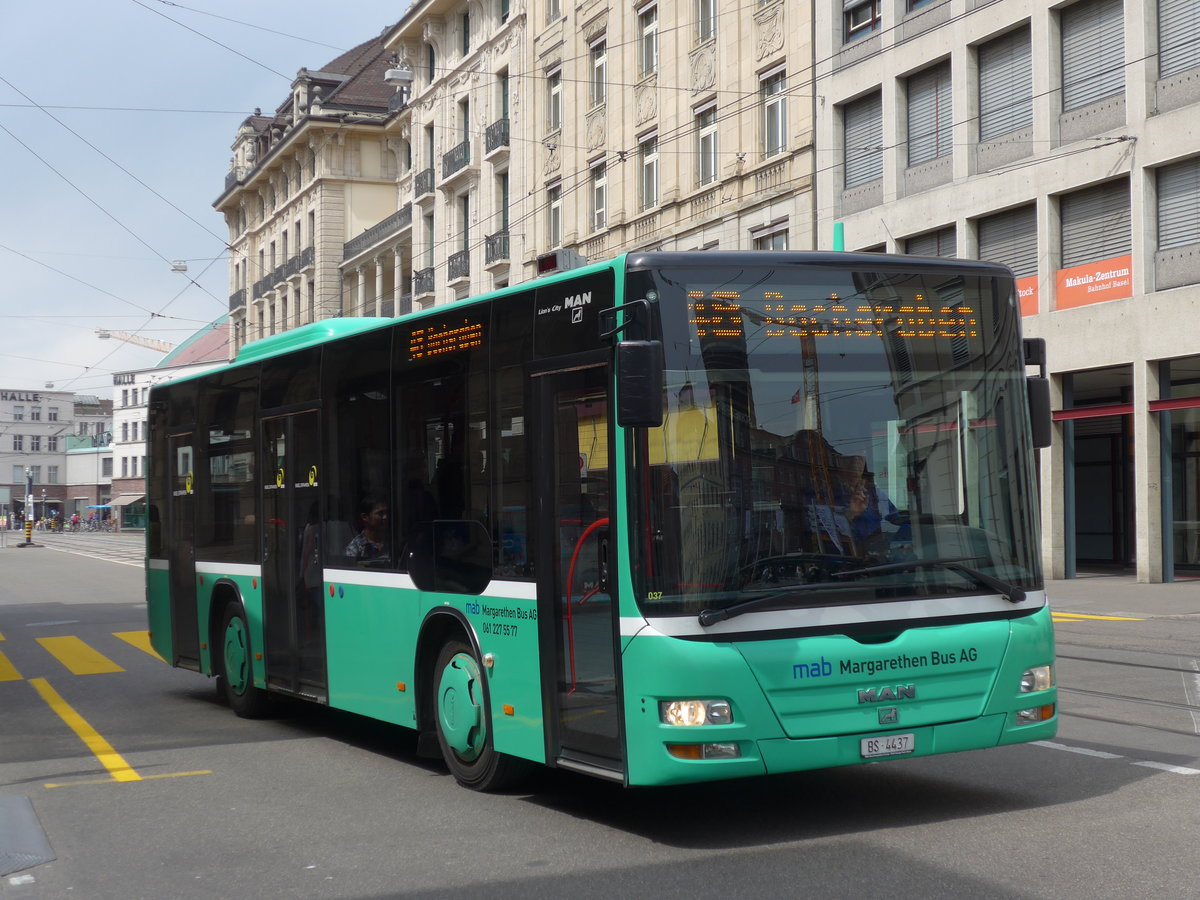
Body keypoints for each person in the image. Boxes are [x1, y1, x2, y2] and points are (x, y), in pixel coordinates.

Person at [345, 497, 388, 562]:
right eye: (380, 514)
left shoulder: (391, 543)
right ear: (365, 517)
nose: (385, 517)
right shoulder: (355, 547)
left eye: (386, 513)